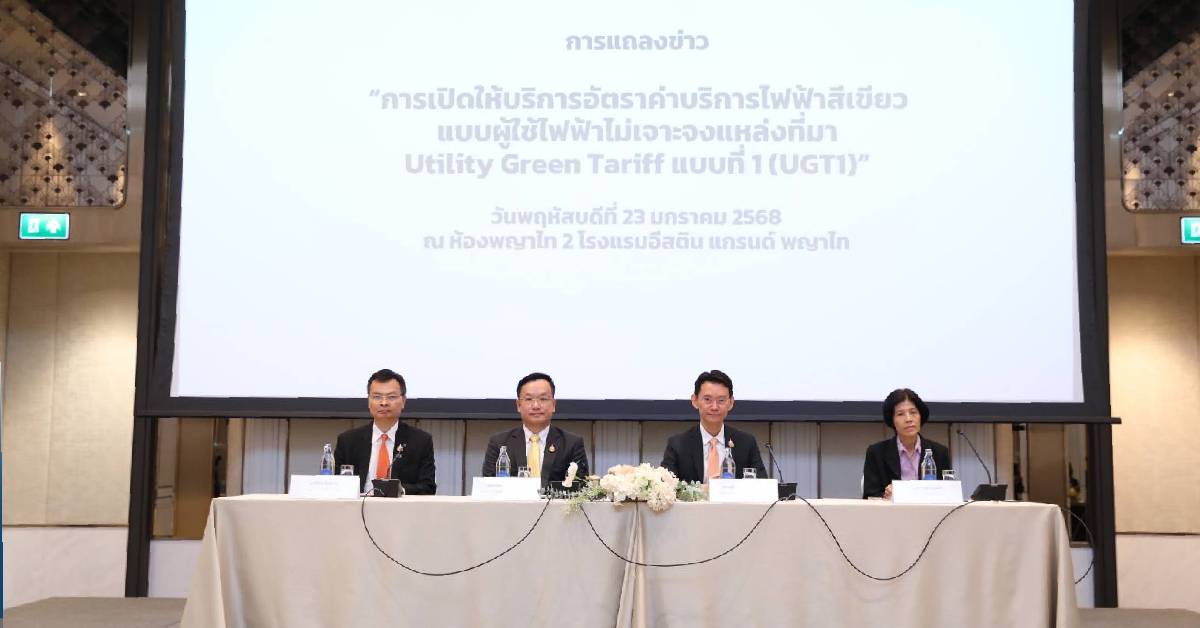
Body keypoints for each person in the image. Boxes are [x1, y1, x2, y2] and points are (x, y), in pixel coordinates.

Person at [334, 368, 436, 495]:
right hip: (358, 506)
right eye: (377, 397)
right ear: (369, 401)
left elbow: (428, 487)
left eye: (391, 397)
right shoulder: (348, 441)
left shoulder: (421, 441)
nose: (384, 403)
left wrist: (399, 491)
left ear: (403, 401)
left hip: (400, 506)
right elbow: (335, 484)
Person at [481, 372, 589, 485]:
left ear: (553, 404)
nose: (536, 406)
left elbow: (581, 486)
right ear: (518, 405)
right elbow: (489, 487)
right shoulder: (499, 443)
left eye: (543, 399)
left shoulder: (571, 443)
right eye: (529, 399)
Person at [661, 370, 767, 483]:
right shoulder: (678, 444)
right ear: (695, 401)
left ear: (731, 402)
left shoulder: (746, 443)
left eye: (721, 400)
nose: (714, 407)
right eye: (707, 399)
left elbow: (762, 483)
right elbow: (667, 485)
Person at [861, 388, 951, 499]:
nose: (909, 419)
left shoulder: (939, 452)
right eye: (900, 414)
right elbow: (870, 495)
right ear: (892, 420)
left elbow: (948, 493)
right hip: (892, 509)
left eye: (913, 412)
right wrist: (886, 496)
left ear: (920, 416)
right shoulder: (876, 453)